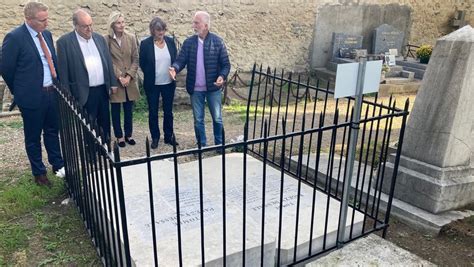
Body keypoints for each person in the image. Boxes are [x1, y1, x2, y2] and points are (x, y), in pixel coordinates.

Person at [1, 2, 65, 186]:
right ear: (29, 20)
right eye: (42, 20)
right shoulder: (15, 37)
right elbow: (6, 69)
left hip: (51, 93)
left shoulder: (47, 34)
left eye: (47, 18)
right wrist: (20, 91)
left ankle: (58, 166)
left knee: (52, 131)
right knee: (33, 136)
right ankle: (39, 173)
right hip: (31, 97)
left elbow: (51, 60)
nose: (47, 22)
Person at [169, 11, 230, 147]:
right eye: (194, 22)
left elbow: (226, 65)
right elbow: (181, 60)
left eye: (196, 23)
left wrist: (222, 76)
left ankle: (219, 145)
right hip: (195, 89)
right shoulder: (189, 42)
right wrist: (174, 68)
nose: (193, 26)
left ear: (206, 26)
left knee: (218, 119)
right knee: (198, 120)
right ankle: (201, 145)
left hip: (213, 88)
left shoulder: (218, 42)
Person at [56, 9, 117, 142]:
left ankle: (106, 149)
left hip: (102, 89)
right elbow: (63, 72)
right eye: (85, 26)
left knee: (105, 121)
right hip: (83, 91)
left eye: (90, 25)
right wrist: (68, 95)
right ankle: (91, 152)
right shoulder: (64, 42)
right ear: (75, 26)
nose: (89, 29)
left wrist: (112, 83)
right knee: (88, 124)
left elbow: (107, 62)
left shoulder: (100, 39)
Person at [140, 17, 178, 149]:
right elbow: (142, 63)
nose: (161, 32)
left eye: (163, 30)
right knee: (153, 111)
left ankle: (168, 136)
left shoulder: (170, 42)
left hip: (168, 83)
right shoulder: (145, 44)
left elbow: (175, 59)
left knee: (168, 111)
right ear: (152, 31)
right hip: (152, 84)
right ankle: (155, 137)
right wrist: (151, 74)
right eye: (158, 30)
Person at [105, 12, 140, 148]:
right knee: (115, 109)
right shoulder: (106, 39)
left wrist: (129, 76)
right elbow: (108, 60)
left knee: (128, 109)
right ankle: (119, 136)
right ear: (113, 24)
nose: (122, 25)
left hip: (130, 81)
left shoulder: (130, 38)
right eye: (119, 22)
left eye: (123, 22)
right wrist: (120, 76)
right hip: (116, 80)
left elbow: (135, 58)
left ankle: (128, 134)